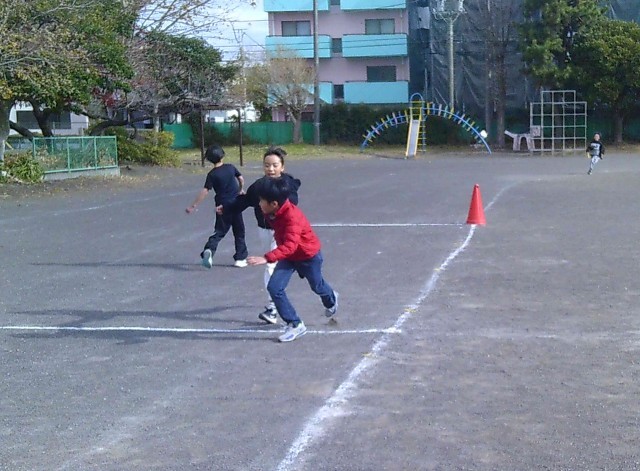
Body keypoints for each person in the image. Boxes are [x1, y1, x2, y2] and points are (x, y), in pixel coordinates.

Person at [247, 178, 339, 343]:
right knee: (274, 287)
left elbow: (290, 246)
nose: (259, 204)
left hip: (308, 256)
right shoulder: (271, 212)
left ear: (274, 203)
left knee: (317, 286)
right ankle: (295, 324)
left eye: (261, 201)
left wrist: (266, 258)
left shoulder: (292, 217)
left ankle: (331, 299)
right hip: (289, 257)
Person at [220, 147, 301, 325]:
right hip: (264, 229)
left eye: (275, 165)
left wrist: (278, 197)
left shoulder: (287, 185)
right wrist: (226, 207)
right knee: (275, 266)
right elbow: (245, 200)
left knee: (270, 265)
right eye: (267, 165)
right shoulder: (259, 186)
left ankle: (272, 308)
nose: (270, 169)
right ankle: (278, 297)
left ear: (282, 167)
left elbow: (293, 202)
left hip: (282, 231)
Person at [185, 144, 248, 268]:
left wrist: (193, 205)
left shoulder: (212, 174)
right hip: (236, 203)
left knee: (220, 231)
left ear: (209, 159)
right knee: (239, 231)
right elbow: (241, 179)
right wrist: (240, 190)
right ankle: (240, 259)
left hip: (222, 205)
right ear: (222, 155)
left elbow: (205, 191)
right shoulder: (230, 167)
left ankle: (209, 249)